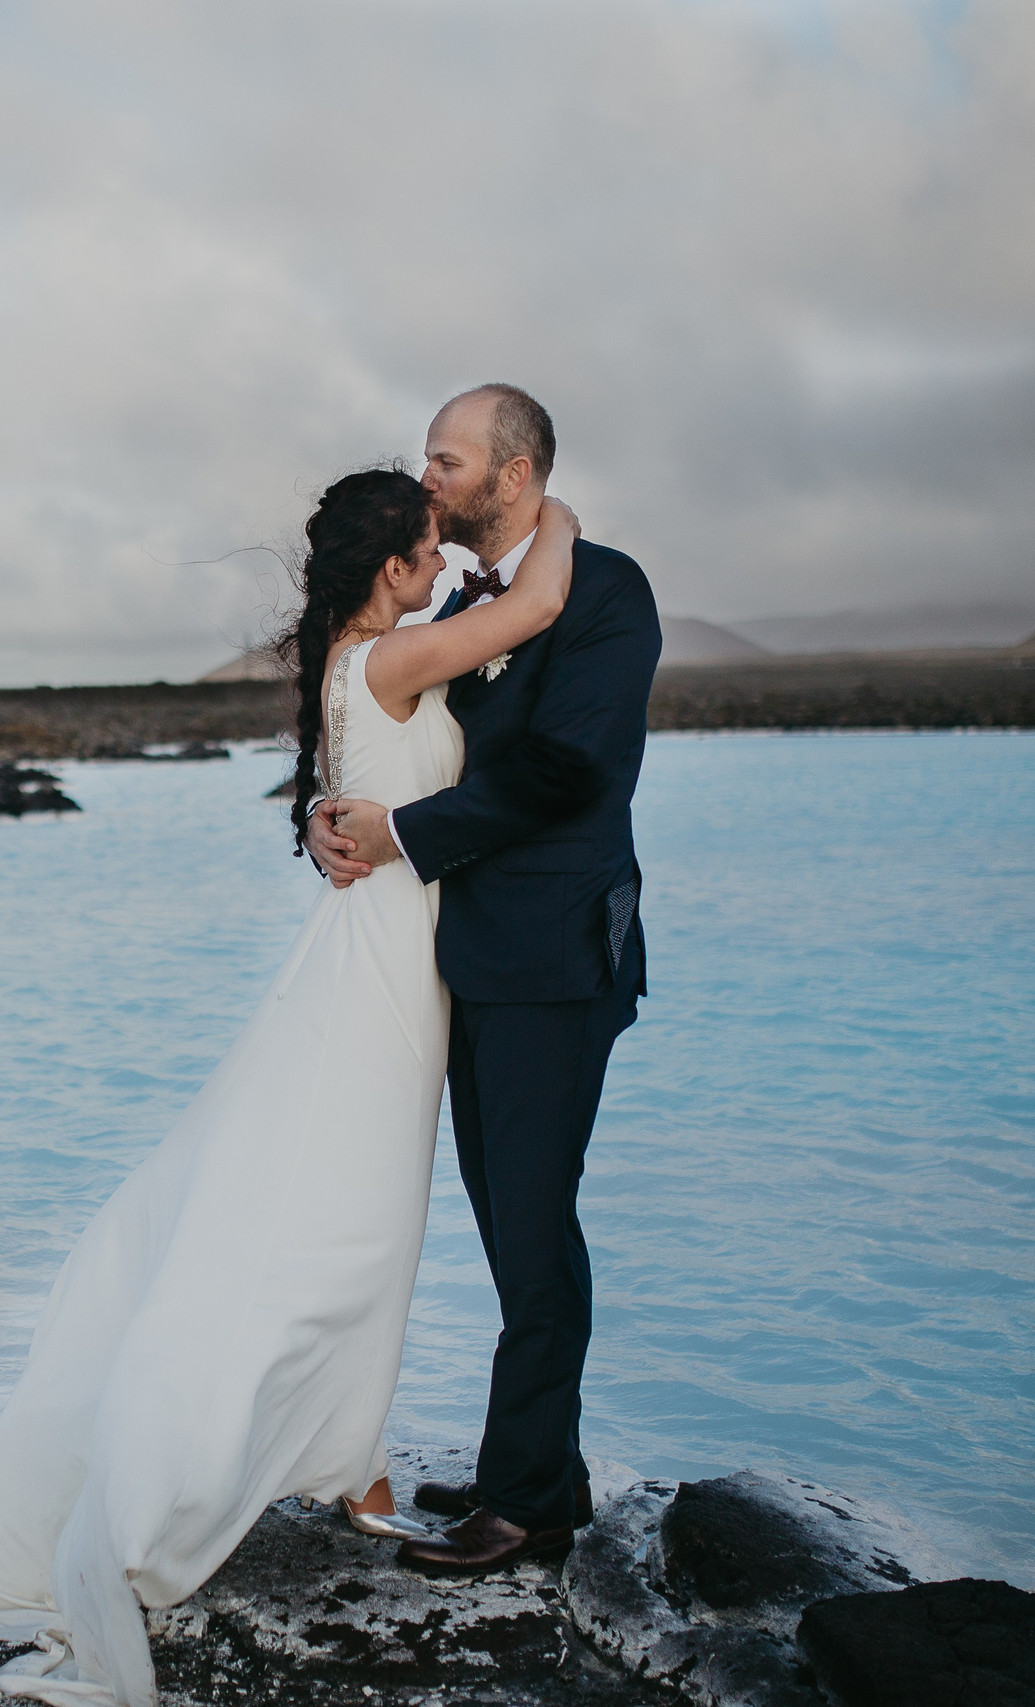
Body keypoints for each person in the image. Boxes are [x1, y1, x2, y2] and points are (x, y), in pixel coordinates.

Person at [0, 465, 580, 1707]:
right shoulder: (389, 660)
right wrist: (560, 513)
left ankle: (352, 1459)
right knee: (348, 1228)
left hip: (382, 962)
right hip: (380, 975)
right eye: (430, 548)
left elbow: (373, 786)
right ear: (388, 569)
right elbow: (539, 606)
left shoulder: (350, 656)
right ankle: (187, 1477)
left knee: (357, 1225)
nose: (443, 566)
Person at [307, 384, 663, 1575]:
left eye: (446, 462)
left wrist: (400, 835)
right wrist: (327, 820)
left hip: (554, 957)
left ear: (513, 477)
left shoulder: (602, 593)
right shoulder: (449, 597)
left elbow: (567, 770)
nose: (428, 481)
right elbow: (375, 737)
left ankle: (524, 1504)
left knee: (531, 1215)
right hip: (452, 960)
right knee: (503, 1214)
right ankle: (539, 1468)